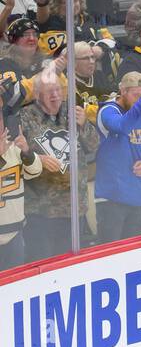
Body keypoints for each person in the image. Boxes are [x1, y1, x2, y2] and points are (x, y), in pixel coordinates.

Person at [17, 71, 99, 261]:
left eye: (57, 90)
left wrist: (84, 124)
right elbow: (16, 154)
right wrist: (37, 158)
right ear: (37, 94)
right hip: (40, 211)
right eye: (48, 91)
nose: (54, 95)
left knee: (69, 265)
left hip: (73, 208)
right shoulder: (25, 117)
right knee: (42, 265)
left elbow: (94, 145)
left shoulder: (72, 112)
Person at [93, 71, 141, 245]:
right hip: (110, 197)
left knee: (131, 256)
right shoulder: (107, 111)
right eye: (136, 95)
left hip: (135, 196)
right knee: (109, 254)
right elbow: (121, 126)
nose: (140, 99)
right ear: (123, 92)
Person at [0, 118, 43, 270]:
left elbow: (35, 171)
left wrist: (26, 151)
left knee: (15, 286)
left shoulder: (13, 148)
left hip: (15, 234)